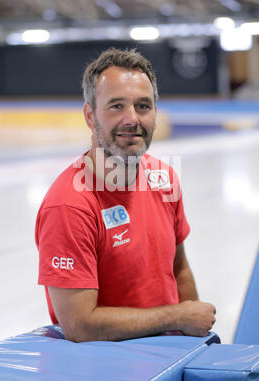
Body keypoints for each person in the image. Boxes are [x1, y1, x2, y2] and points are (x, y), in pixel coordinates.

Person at [35, 47, 216, 343]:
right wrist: (177, 317)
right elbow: (80, 325)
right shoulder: (69, 204)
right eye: (116, 106)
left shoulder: (163, 177)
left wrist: (195, 343)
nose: (132, 119)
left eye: (143, 106)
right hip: (110, 376)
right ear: (90, 115)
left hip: (169, 357)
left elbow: (178, 268)